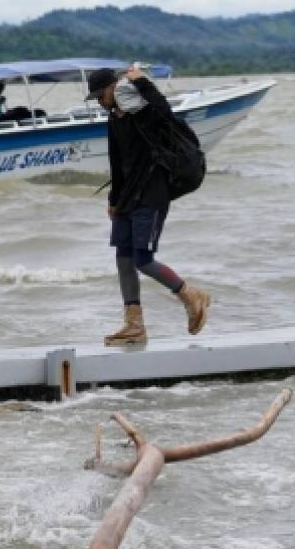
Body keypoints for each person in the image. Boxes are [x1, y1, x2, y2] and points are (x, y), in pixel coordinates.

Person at [88, 67, 210, 345]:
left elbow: (164, 110)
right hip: (128, 196)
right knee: (123, 258)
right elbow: (116, 163)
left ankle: (190, 295)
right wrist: (113, 200)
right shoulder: (114, 119)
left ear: (114, 87)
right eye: (96, 97)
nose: (100, 101)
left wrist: (141, 80)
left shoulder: (144, 114)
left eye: (101, 94)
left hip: (152, 193)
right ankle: (134, 325)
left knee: (143, 259)